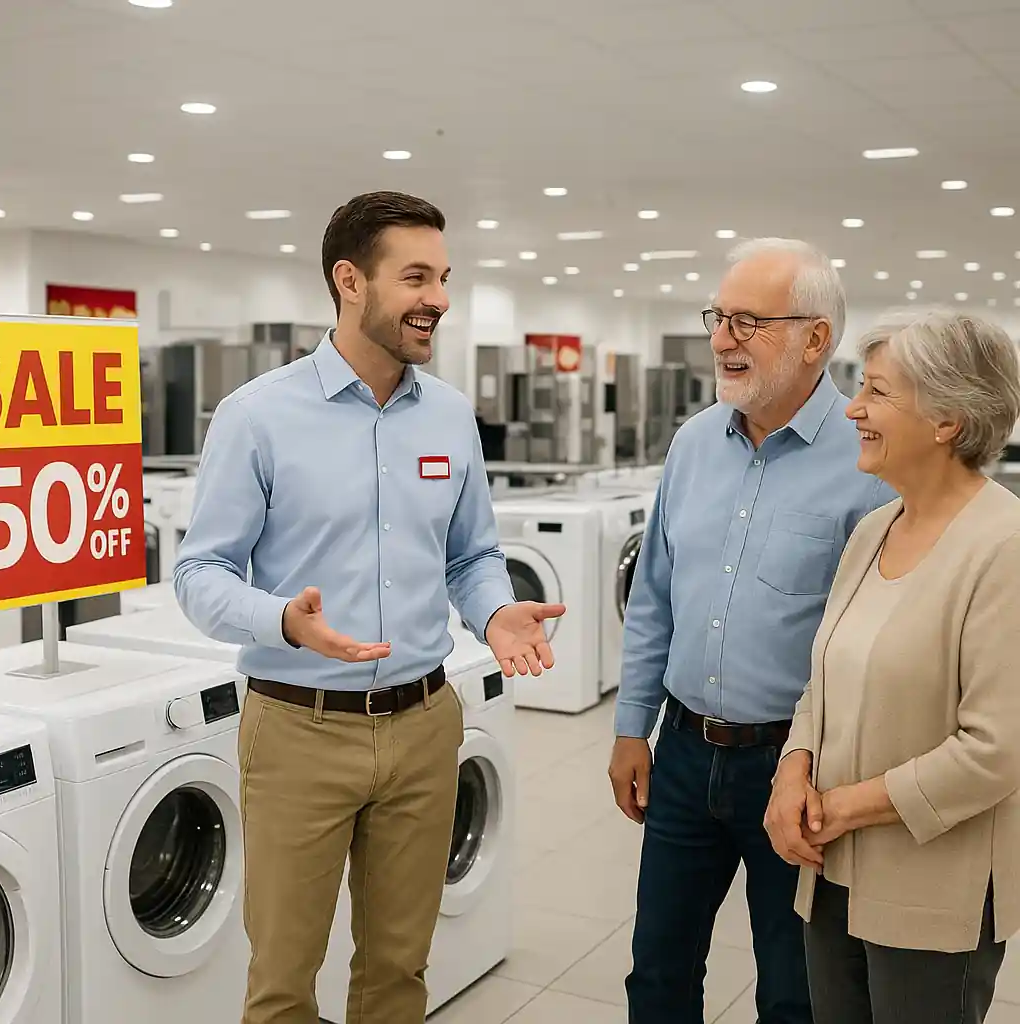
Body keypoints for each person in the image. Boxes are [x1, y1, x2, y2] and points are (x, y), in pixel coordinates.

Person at [174, 191, 565, 1024]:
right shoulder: (257, 416)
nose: (440, 299)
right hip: (298, 730)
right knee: (282, 984)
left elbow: (472, 556)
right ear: (349, 281)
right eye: (416, 276)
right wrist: (283, 619)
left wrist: (495, 613)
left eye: (445, 277)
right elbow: (199, 574)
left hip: (425, 724)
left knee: (398, 975)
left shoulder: (452, 416)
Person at [608, 237, 897, 1024]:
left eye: (749, 321)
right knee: (658, 975)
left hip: (801, 767)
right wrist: (632, 727)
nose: (723, 338)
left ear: (816, 339)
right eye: (719, 317)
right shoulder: (695, 444)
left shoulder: (870, 459)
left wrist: (813, 765)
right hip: (682, 753)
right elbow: (655, 599)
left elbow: (876, 642)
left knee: (794, 990)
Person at [765, 309, 1020, 1024]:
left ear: (946, 419)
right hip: (833, 869)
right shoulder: (877, 527)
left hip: (935, 887)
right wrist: (793, 771)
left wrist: (840, 806)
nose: (853, 408)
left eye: (876, 391)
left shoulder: (1004, 547)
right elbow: (824, 678)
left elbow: (995, 750)